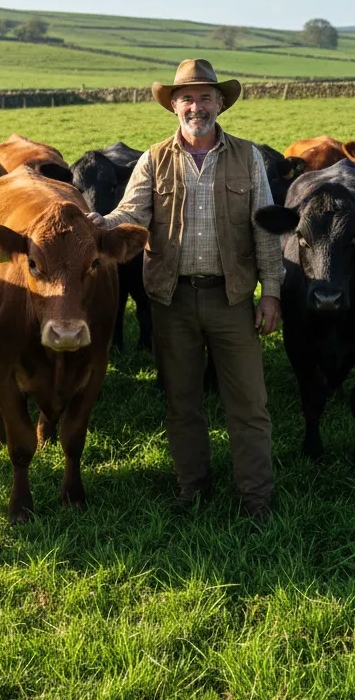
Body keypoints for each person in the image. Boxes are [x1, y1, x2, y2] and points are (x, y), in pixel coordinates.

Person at [89, 59, 283, 520]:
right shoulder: (154, 158)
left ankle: (256, 500)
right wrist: (98, 222)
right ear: (173, 106)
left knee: (250, 405)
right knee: (182, 403)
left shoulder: (247, 156)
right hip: (171, 300)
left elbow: (266, 229)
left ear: (220, 103)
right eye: (187, 98)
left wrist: (271, 292)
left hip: (232, 297)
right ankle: (193, 491)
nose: (197, 106)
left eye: (205, 97)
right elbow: (131, 213)